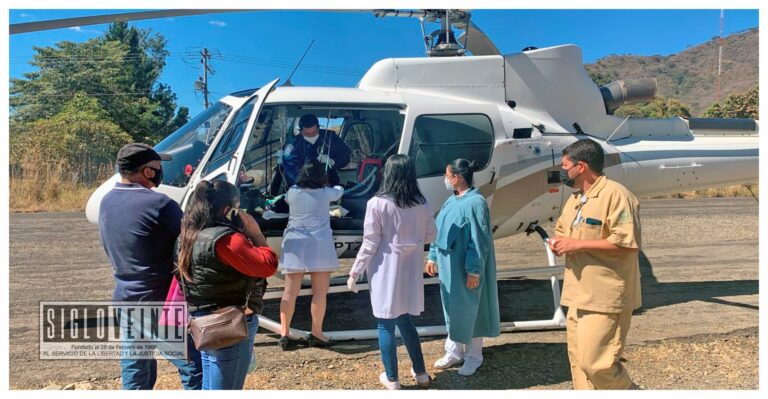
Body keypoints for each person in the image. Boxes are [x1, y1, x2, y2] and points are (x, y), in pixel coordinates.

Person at [98, 143, 203, 390]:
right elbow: (195, 242)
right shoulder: (159, 204)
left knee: (136, 369)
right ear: (146, 171)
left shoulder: (106, 201)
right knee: (194, 369)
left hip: (125, 297)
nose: (160, 172)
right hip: (160, 300)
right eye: (157, 168)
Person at [548, 139, 642, 390]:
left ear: (582, 166)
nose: (562, 171)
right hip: (577, 295)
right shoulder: (575, 200)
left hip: (605, 296)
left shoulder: (617, 195)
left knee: (597, 365)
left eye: (565, 166)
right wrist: (557, 243)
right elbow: (562, 233)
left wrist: (576, 245)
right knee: (579, 365)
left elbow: (628, 243)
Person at [176, 180, 278, 390]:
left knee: (210, 385)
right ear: (227, 209)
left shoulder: (188, 235)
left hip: (203, 322)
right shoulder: (227, 239)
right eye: (238, 207)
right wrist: (255, 233)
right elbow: (268, 265)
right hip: (229, 323)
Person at [347, 154, 436, 390]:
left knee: (385, 323)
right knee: (406, 320)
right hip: (411, 270)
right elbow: (430, 234)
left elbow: (370, 243)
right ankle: (421, 374)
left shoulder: (377, 203)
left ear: (388, 173)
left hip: (386, 269)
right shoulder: (422, 201)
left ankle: (392, 378)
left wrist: (354, 272)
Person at [425, 159, 500, 377]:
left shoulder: (476, 202)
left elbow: (479, 240)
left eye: (447, 175)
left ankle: (474, 356)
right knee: (453, 308)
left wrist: (474, 270)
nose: (445, 180)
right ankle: (454, 351)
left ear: (456, 177)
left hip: (465, 267)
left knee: (471, 309)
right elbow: (439, 229)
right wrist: (433, 256)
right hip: (449, 268)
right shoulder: (452, 200)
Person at [278, 160, 344, 349]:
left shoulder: (292, 192)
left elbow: (286, 198)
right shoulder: (326, 193)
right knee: (320, 293)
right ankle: (316, 332)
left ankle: (285, 333)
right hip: (319, 245)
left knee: (289, 293)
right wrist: (332, 180)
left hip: (295, 244)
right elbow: (340, 190)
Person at [281, 113, 351, 189]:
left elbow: (345, 155)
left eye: (314, 132)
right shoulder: (294, 144)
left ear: (319, 127)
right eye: (307, 134)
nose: (311, 135)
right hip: (302, 186)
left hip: (329, 184)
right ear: (300, 131)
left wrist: (332, 162)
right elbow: (289, 166)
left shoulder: (330, 137)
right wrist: (303, 182)